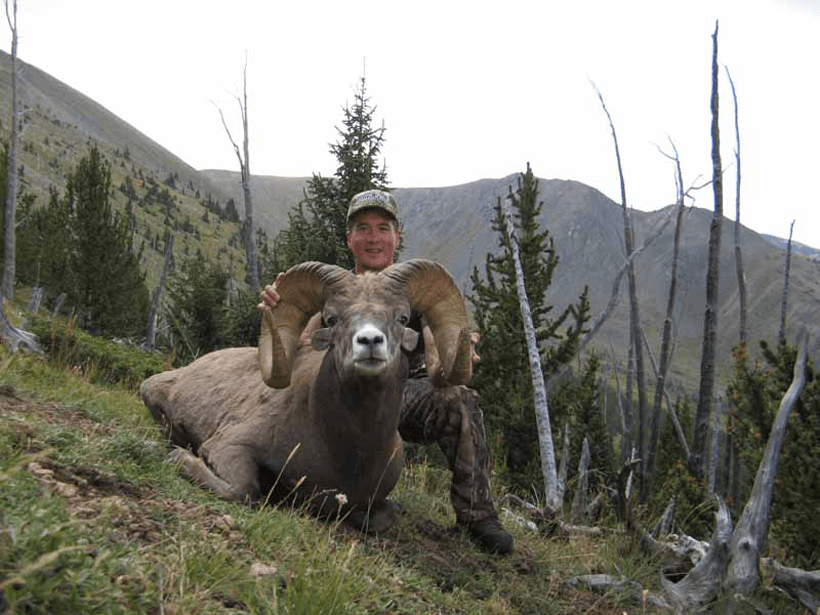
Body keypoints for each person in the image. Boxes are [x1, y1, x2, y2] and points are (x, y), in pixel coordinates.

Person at [258, 189, 513, 554]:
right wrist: (276, 314)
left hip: (399, 398)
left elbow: (440, 370)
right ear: (350, 239)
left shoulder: (412, 292)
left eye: (383, 228)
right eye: (363, 228)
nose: (373, 237)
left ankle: (478, 515)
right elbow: (295, 357)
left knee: (460, 400)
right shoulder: (334, 291)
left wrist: (455, 359)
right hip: (343, 403)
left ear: (397, 237)